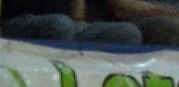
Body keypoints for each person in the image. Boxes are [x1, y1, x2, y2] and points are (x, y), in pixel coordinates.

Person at [1, 0, 141, 44]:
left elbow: (77, 16)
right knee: (60, 25)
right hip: (15, 21)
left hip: (69, 23)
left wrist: (78, 19)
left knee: (128, 33)